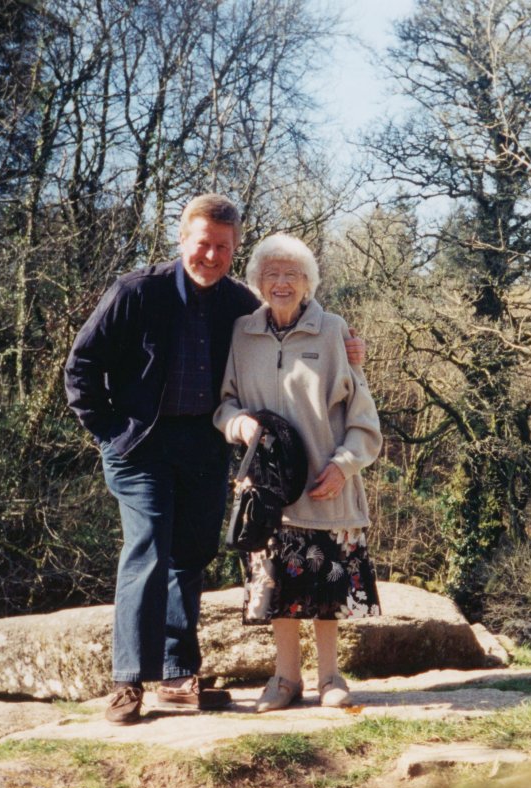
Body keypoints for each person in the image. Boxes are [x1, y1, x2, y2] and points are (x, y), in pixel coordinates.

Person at [64, 195, 364, 724]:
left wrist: (348, 346)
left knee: (193, 553)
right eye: (202, 243)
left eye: (222, 247)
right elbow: (81, 366)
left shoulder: (235, 305)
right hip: (140, 444)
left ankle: (178, 677)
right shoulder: (137, 293)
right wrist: (110, 433)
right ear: (182, 240)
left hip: (204, 446)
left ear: (233, 250)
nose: (210, 256)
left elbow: (287, 332)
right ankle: (129, 681)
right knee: (151, 548)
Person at [215, 233, 382, 711]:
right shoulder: (242, 333)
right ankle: (284, 679)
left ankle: (331, 678)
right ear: (257, 282)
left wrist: (344, 466)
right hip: (266, 488)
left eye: (292, 274)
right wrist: (237, 423)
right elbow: (224, 404)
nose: (282, 282)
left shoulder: (333, 331)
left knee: (327, 585)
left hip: (326, 483)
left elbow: (364, 419)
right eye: (272, 274)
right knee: (275, 585)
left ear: (308, 282)